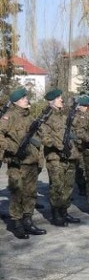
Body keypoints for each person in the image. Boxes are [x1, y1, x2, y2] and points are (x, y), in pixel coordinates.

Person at [1, 87, 47, 238]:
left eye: (26, 97)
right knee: (17, 193)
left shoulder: (29, 116)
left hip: (31, 161)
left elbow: (39, 136)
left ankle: (28, 221)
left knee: (30, 193)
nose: (27, 100)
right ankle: (17, 224)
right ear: (16, 101)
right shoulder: (9, 116)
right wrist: (12, 149)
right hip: (17, 162)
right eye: (23, 98)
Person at [40, 88, 82, 225]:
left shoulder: (64, 116)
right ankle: (56, 214)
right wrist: (60, 146)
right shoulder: (46, 116)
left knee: (68, 186)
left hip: (69, 156)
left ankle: (64, 212)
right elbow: (45, 138)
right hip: (55, 158)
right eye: (59, 98)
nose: (61, 100)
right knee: (57, 187)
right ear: (52, 101)